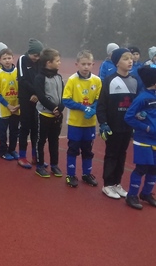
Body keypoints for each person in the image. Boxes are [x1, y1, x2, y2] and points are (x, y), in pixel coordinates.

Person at [97, 48, 137, 199]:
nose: (130, 61)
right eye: (126, 59)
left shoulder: (133, 81)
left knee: (122, 155)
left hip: (127, 127)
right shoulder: (109, 80)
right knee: (112, 154)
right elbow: (102, 105)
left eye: (131, 58)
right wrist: (103, 123)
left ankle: (117, 183)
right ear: (117, 62)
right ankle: (107, 184)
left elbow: (136, 105)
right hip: (113, 126)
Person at [62, 50, 102, 188]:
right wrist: (83, 108)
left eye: (88, 64)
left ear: (93, 64)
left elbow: (99, 98)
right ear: (77, 64)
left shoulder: (97, 80)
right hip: (75, 123)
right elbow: (66, 100)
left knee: (88, 150)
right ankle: (71, 175)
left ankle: (86, 174)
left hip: (89, 123)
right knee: (73, 149)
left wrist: (93, 108)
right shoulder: (72, 80)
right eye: (83, 64)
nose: (86, 67)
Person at [123, 66, 156, 209]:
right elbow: (129, 117)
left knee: (154, 169)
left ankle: (146, 193)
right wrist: (146, 127)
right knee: (141, 168)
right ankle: (132, 195)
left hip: (155, 140)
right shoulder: (142, 98)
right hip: (143, 140)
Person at [33, 48, 65, 178]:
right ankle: (40, 166)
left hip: (56, 115)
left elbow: (64, 95)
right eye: (57, 61)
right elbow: (41, 96)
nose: (59, 63)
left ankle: (54, 165)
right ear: (48, 62)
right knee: (41, 141)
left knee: (54, 140)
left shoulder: (59, 77)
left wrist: (60, 108)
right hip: (44, 115)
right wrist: (53, 108)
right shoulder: (40, 78)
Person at [16, 39, 43, 168]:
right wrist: (34, 92)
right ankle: (22, 156)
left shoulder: (40, 61)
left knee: (36, 127)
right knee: (25, 126)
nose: (36, 58)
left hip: (37, 98)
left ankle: (35, 156)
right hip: (25, 98)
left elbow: (42, 79)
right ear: (29, 53)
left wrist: (38, 94)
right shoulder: (22, 59)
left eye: (38, 55)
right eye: (34, 55)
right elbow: (22, 79)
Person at [0, 49, 20, 161]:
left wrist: (19, 105)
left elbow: (23, 89)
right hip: (4, 108)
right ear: (0, 60)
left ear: (13, 58)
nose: (7, 61)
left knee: (14, 130)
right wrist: (8, 105)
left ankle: (12, 149)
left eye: (9, 58)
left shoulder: (18, 72)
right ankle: (3, 151)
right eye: (4, 58)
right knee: (3, 131)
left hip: (17, 108)